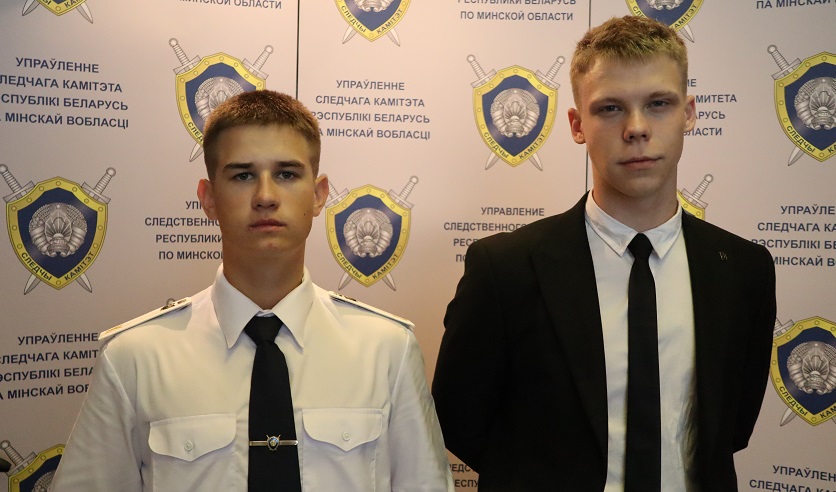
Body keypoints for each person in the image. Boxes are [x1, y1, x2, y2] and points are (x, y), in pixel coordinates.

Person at [432, 15, 776, 491]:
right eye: (611, 108)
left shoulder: (743, 270)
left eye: (658, 104)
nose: (636, 128)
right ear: (577, 125)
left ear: (689, 113)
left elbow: (730, 429)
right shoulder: (505, 269)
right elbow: (460, 421)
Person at [52, 90, 454, 491]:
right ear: (209, 199)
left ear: (318, 195)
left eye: (286, 174)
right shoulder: (135, 359)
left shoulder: (387, 350)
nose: (265, 197)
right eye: (243, 175)